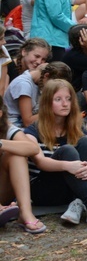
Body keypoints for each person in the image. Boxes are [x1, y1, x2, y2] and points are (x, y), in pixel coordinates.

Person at [23, 79, 87, 228]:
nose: (65, 104)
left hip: (71, 188)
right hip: (44, 189)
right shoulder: (32, 130)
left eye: (68, 99)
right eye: (58, 99)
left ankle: (78, 202)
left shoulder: (76, 127)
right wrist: (67, 166)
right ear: (47, 103)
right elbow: (40, 161)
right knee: (67, 150)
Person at [0, 97, 46, 233]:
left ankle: (25, 213)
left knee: (16, 154)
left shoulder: (6, 128)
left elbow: (32, 148)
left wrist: (2, 144)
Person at [4, 61, 71, 127]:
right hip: (15, 125)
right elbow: (27, 122)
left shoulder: (40, 82)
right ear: (46, 75)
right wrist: (52, 110)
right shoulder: (23, 85)